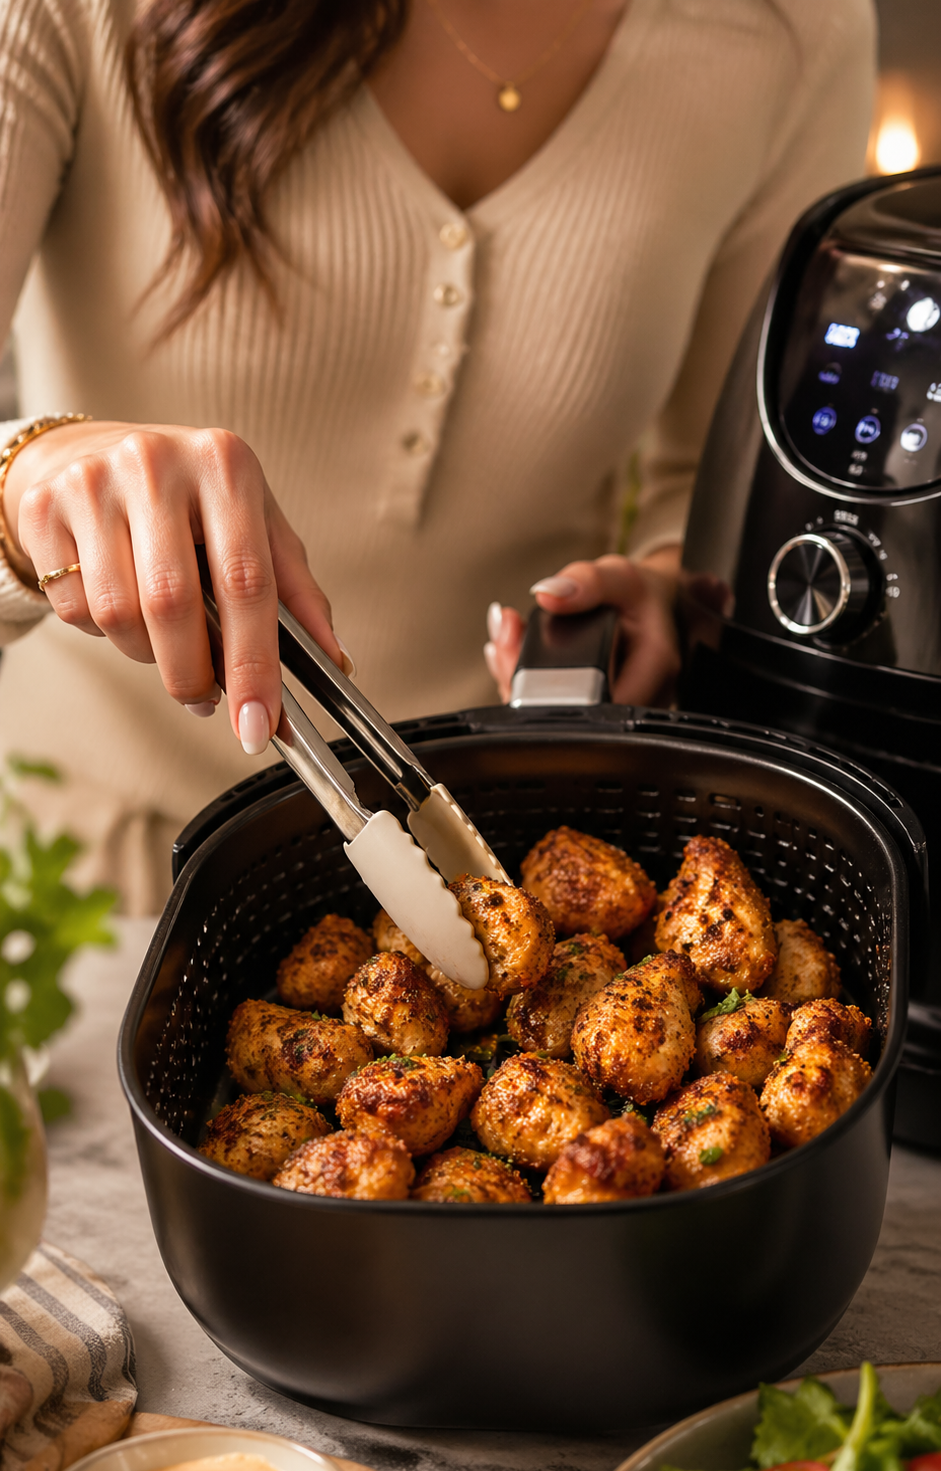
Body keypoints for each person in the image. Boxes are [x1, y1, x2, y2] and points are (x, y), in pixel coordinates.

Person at [0, 0, 875, 910]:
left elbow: (717, 484)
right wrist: (30, 478)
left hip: (494, 874)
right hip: (76, 891)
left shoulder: (793, 35)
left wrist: (667, 598)